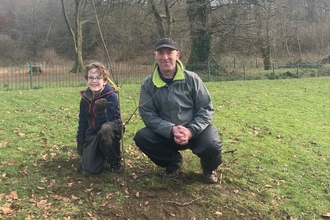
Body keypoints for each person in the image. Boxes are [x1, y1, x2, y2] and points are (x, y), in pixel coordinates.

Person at [133, 38, 223, 183]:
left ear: (177, 55)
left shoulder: (192, 79)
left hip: (195, 131)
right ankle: (174, 162)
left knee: (212, 144)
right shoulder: (148, 84)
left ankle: (208, 168)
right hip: (166, 134)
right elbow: (147, 114)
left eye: (170, 52)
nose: (165, 57)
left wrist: (191, 130)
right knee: (142, 137)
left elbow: (205, 108)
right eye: (160, 53)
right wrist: (171, 129)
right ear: (155, 57)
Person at [76, 61, 123, 175]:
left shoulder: (111, 96)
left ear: (105, 81)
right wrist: (80, 141)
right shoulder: (85, 99)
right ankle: (100, 156)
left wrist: (100, 111)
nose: (94, 81)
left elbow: (108, 124)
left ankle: (114, 160)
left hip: (110, 131)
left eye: (98, 78)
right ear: (87, 80)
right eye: (91, 78)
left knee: (106, 129)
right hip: (92, 135)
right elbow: (82, 121)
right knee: (88, 170)